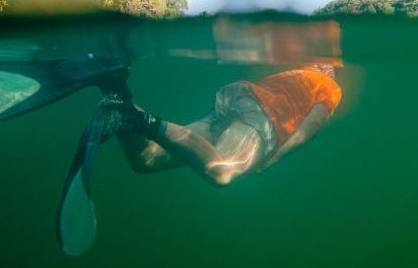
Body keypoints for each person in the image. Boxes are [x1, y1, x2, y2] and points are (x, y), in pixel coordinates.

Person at [109, 62, 342, 186]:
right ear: (329, 71)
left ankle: (118, 95)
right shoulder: (330, 87)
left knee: (147, 159)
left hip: (236, 98)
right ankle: (140, 121)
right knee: (222, 172)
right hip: (262, 117)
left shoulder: (294, 74)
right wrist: (274, 159)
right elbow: (309, 129)